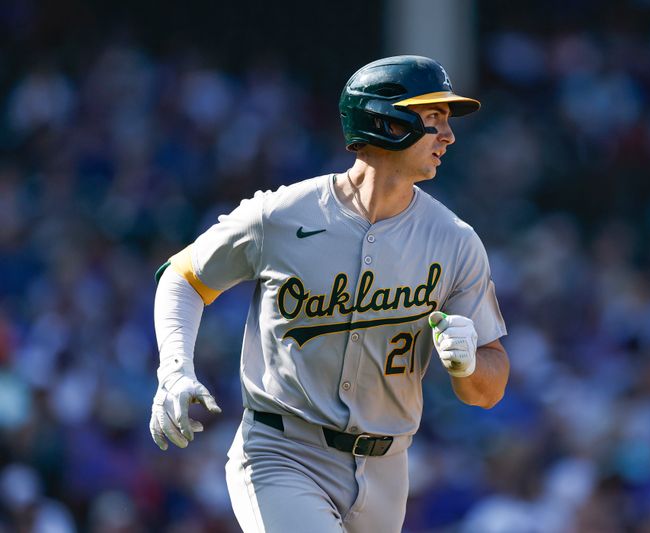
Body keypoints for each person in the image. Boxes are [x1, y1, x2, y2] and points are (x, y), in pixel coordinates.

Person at [149, 55, 509, 533]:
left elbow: (489, 387)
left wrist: (466, 367)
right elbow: (183, 277)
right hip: (282, 453)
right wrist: (174, 369)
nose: (448, 136)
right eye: (433, 118)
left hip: (387, 468)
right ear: (386, 121)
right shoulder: (282, 215)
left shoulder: (456, 240)